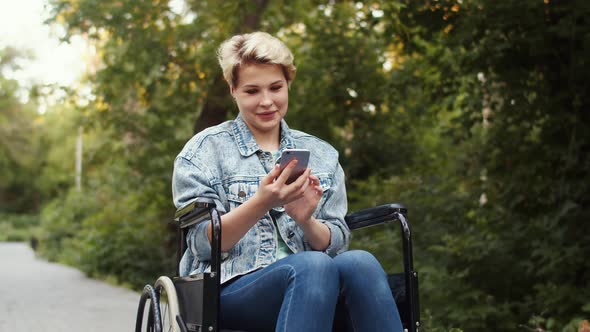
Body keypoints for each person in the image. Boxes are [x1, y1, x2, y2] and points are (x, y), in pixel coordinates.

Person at [172, 31, 403, 332]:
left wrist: (305, 220)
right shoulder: (204, 151)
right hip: (230, 290)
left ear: (288, 84)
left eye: (276, 88)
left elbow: (337, 242)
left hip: (316, 287)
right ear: (233, 90)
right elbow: (203, 244)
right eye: (252, 91)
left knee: (360, 262)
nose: (267, 101)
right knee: (313, 265)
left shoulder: (322, 155)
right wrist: (262, 202)